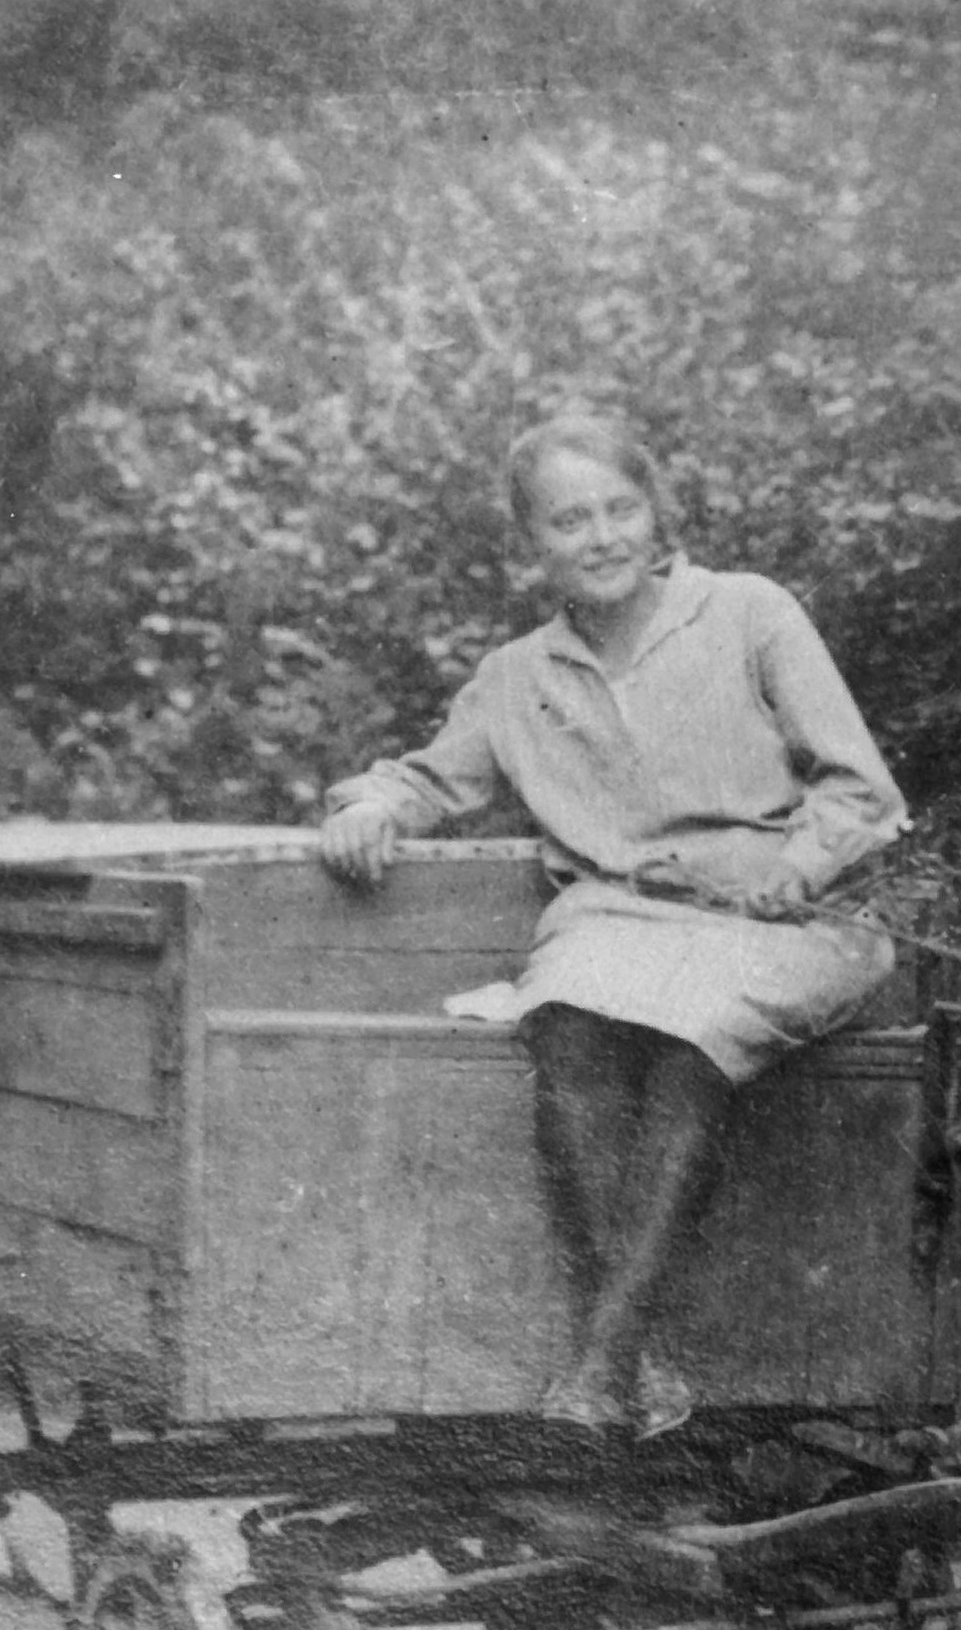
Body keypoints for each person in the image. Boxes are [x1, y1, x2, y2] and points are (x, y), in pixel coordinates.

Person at [316, 412, 909, 1431]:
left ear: (655, 512)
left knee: (691, 1036)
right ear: (532, 542)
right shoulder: (518, 676)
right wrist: (369, 806)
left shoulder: (748, 613)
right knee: (565, 1019)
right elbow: (426, 778)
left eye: (619, 510)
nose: (601, 538)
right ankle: (642, 1360)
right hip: (620, 921)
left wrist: (797, 864)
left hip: (784, 923)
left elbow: (859, 787)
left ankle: (601, 1365)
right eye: (569, 520)